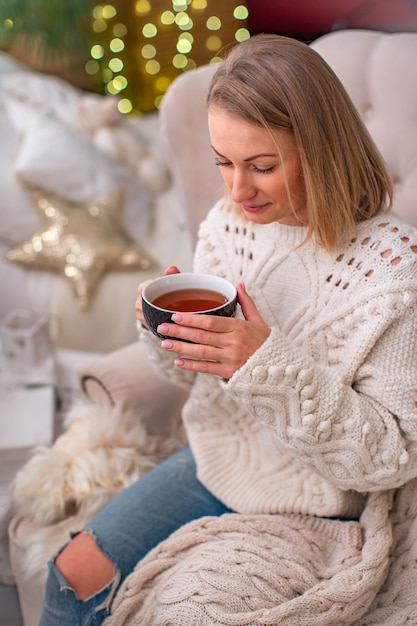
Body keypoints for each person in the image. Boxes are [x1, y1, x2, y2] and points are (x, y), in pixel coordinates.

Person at [38, 33, 417, 625]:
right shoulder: (230, 224)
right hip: (216, 459)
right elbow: (190, 378)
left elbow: (388, 460)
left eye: (262, 166)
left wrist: (264, 360)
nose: (237, 191)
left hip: (320, 504)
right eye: (224, 163)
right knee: (70, 577)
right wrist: (160, 331)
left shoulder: (391, 266)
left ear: (321, 151)